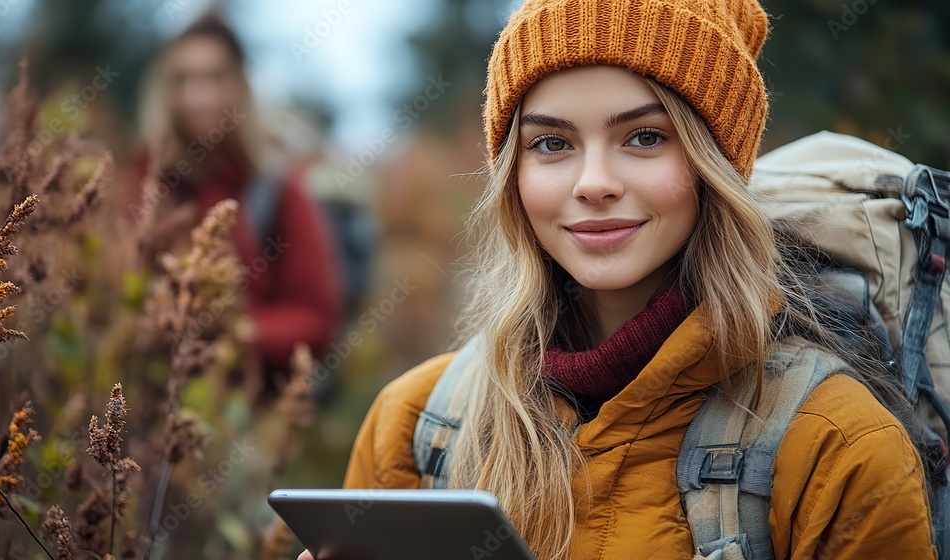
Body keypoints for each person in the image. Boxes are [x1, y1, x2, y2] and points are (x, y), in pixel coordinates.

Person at [300, 0, 936, 558]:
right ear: (512, 176)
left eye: (644, 137)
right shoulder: (419, 426)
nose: (593, 182)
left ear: (714, 165)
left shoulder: (835, 447)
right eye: (552, 144)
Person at [127, 14, 344, 397]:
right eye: (184, 79)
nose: (198, 96)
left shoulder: (277, 189)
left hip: (245, 407)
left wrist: (232, 333)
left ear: (240, 86)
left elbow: (315, 320)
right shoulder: (145, 185)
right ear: (166, 90)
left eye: (214, 78)